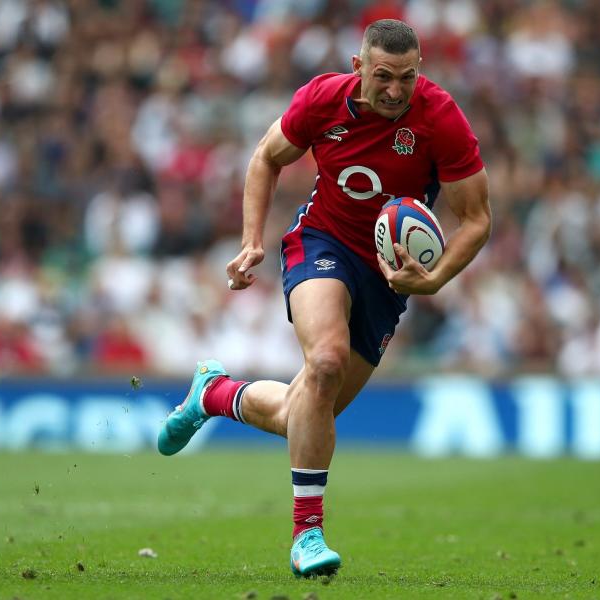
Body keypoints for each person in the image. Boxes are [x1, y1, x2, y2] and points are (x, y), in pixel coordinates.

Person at [157, 19, 491, 578]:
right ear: (359, 67)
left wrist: (433, 280)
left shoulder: (440, 117)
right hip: (322, 244)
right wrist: (250, 241)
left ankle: (213, 395)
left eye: (407, 78)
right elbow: (266, 156)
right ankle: (307, 534)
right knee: (327, 361)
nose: (395, 90)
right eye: (383, 76)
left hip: (387, 280)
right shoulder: (321, 99)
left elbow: (477, 219)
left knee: (305, 413)